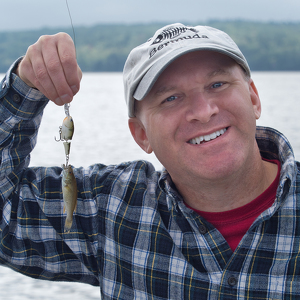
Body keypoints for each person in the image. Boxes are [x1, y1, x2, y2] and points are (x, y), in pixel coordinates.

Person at [0, 22, 299, 299]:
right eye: (171, 98)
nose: (203, 110)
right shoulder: (111, 208)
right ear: (141, 134)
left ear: (254, 99)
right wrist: (25, 85)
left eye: (217, 84)